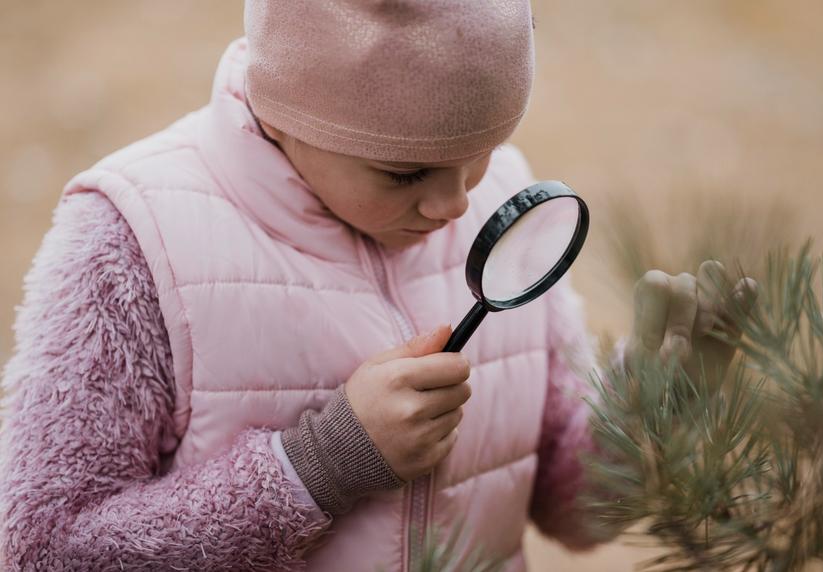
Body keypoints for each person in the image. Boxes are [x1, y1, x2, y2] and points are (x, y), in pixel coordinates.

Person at [0, 1, 756, 570]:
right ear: (285, 108)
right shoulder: (133, 239)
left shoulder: (506, 208)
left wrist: (658, 405)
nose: (456, 204)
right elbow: (40, 547)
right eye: (405, 173)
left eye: (481, 151)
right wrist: (321, 466)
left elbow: (571, 512)